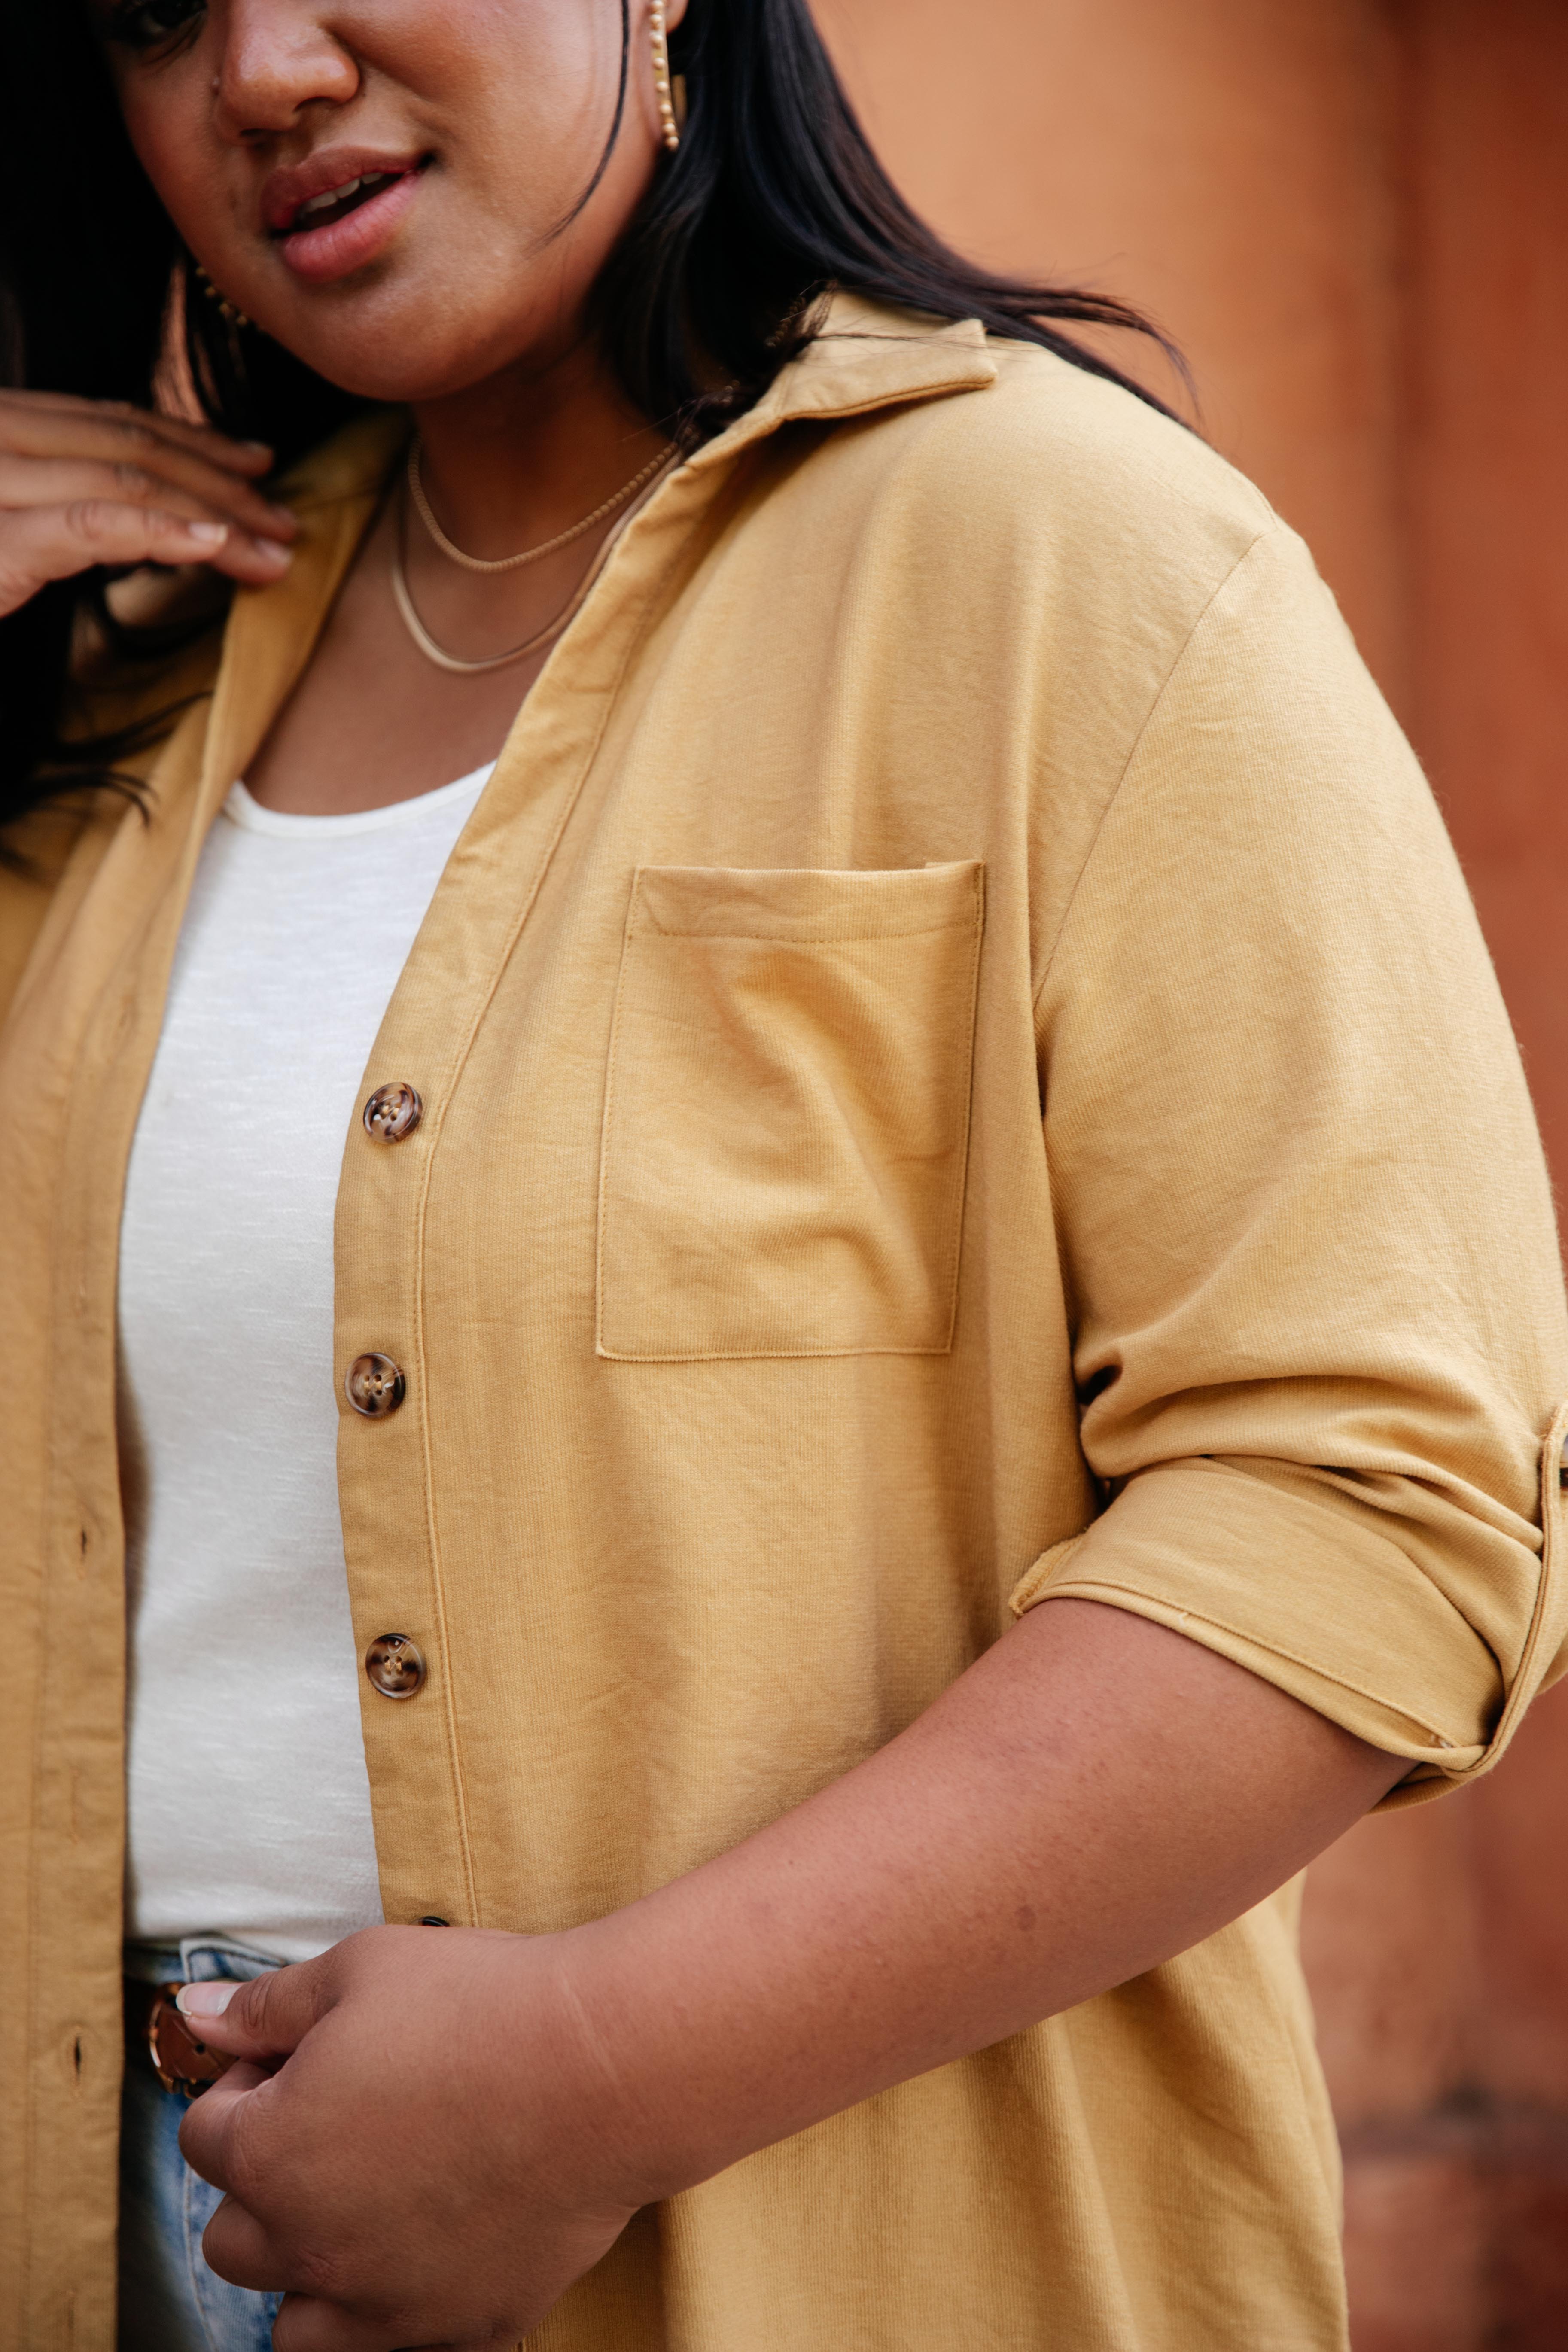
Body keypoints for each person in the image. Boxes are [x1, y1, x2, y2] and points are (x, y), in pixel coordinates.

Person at [1, 0, 1565, 2346]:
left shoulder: (1066, 562)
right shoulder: (117, 668)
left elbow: (1376, 1502)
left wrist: (596, 2073)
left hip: (831, 2253)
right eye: (152, 9)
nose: (262, 72)